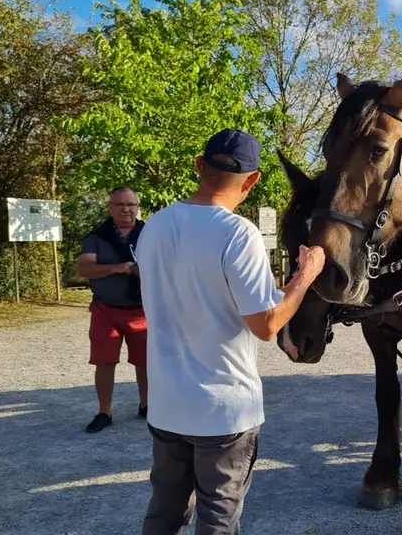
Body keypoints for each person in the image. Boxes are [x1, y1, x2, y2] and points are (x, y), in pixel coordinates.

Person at [134, 129, 326, 535]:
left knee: (163, 514)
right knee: (218, 519)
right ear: (252, 180)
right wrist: (303, 278)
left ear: (199, 166)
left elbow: (194, 290)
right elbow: (267, 324)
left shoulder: (153, 227)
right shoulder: (239, 233)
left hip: (167, 403)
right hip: (223, 411)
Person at [76, 185, 148, 434]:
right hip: (105, 311)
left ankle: (146, 405)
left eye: (131, 204)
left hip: (143, 310)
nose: (126, 209)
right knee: (104, 362)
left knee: (146, 362)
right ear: (110, 207)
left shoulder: (151, 233)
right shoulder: (97, 236)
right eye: (120, 204)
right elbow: (84, 268)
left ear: (137, 207)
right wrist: (116, 268)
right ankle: (104, 412)